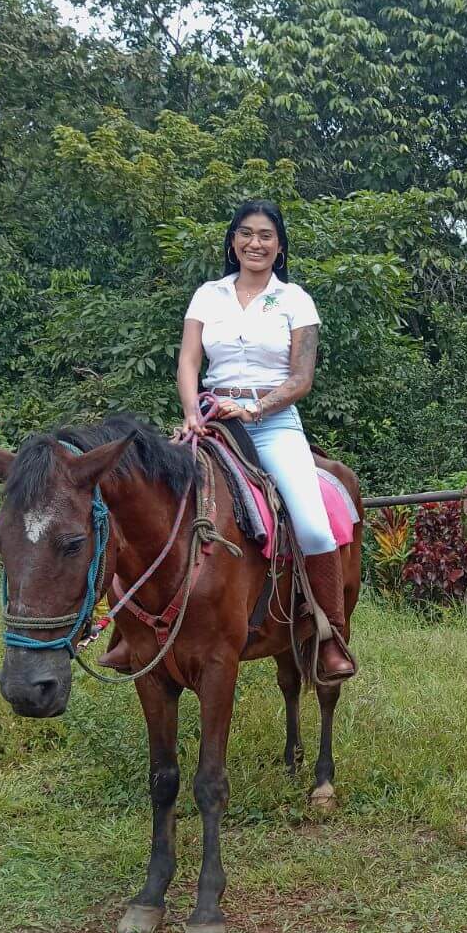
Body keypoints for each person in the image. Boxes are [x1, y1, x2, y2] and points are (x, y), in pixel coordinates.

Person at [100, 199, 355, 681]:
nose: (254, 243)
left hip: (274, 422)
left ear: (279, 246)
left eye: (265, 235)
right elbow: (189, 362)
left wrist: (256, 407)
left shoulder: (295, 299)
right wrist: (192, 410)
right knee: (151, 502)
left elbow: (302, 378)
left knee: (315, 527)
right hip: (212, 416)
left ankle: (328, 635)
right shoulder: (208, 295)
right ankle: (126, 632)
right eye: (245, 233)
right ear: (232, 240)